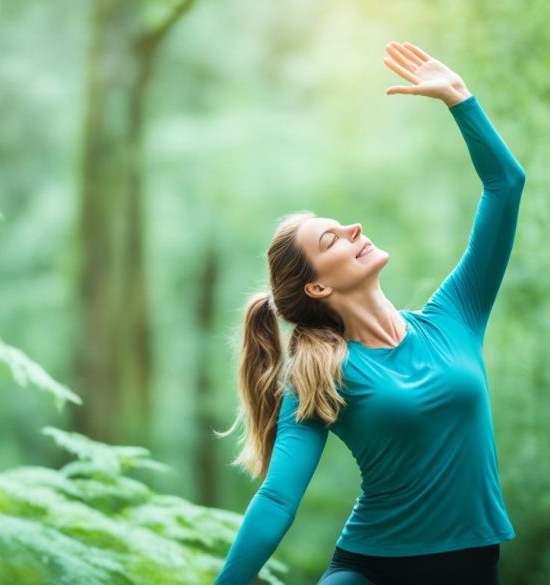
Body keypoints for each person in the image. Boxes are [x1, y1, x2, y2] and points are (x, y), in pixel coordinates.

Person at [212, 41, 526, 585]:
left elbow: (505, 186)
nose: (354, 229)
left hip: (475, 567)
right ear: (315, 286)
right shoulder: (318, 374)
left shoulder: (456, 315)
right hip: (372, 573)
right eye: (331, 238)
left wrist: (460, 99)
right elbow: (278, 499)